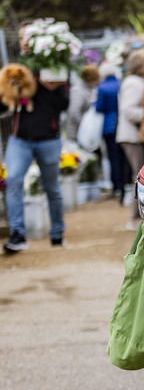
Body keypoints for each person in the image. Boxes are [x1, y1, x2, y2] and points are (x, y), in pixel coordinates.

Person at [2, 66, 69, 252]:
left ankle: (57, 233)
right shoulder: (21, 74)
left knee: (52, 187)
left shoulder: (54, 74)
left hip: (49, 140)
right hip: (20, 140)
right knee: (13, 179)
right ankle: (17, 234)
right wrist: (13, 92)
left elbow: (64, 104)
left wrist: (52, 87)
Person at [117, 51, 144, 225]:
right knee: (139, 177)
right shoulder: (133, 83)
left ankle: (138, 217)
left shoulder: (134, 81)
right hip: (132, 136)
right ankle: (136, 218)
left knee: (138, 176)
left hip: (133, 135)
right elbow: (129, 110)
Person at [95, 62, 126, 202]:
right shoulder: (121, 84)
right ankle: (125, 185)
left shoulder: (102, 88)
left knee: (113, 158)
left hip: (108, 126)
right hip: (122, 124)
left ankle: (116, 186)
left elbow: (99, 107)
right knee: (123, 157)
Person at [66, 64, 100, 143]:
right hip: (76, 133)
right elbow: (74, 112)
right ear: (91, 78)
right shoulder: (77, 90)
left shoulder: (91, 89)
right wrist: (87, 125)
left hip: (85, 134)